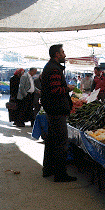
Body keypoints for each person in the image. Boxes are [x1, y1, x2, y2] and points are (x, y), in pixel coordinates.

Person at [40, 44, 77, 182]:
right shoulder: (54, 69)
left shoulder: (49, 67)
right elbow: (55, 90)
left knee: (51, 140)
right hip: (56, 110)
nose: (65, 55)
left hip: (52, 109)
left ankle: (48, 169)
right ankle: (60, 174)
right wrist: (68, 88)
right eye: (63, 52)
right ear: (57, 54)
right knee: (61, 143)